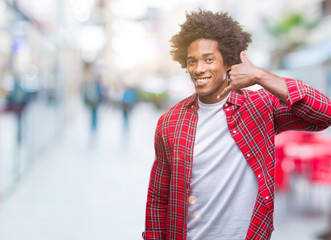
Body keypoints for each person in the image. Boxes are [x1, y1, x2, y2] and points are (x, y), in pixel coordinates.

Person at [143, 10, 331, 240]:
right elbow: (158, 196)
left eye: (209, 59)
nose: (199, 69)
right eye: (192, 61)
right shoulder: (171, 121)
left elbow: (324, 114)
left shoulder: (260, 106)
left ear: (229, 62)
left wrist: (261, 76)